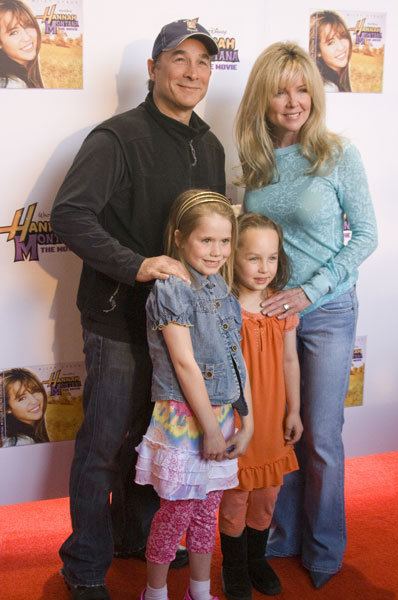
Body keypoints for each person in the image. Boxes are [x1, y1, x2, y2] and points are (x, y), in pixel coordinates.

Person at [50, 18, 225, 600]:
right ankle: (85, 567)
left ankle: (134, 539)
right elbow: (72, 216)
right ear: (153, 69)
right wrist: (138, 263)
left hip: (180, 330)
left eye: (203, 62)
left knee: (153, 444)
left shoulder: (211, 143)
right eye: (179, 59)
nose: (192, 72)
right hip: (120, 319)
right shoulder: (116, 137)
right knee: (103, 447)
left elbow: (210, 237)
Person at [236, 42, 377, 588]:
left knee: (320, 438)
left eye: (302, 89)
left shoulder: (337, 154)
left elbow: (365, 236)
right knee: (277, 435)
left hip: (327, 312)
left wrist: (310, 291)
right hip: (267, 320)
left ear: (315, 95)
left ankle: (323, 549)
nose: (292, 101)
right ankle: (282, 535)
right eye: (280, 89)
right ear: (262, 97)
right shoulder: (256, 162)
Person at [135, 189, 253, 600]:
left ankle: (199, 592)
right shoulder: (172, 287)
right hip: (184, 418)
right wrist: (211, 430)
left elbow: (237, 355)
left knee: (207, 511)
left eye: (225, 241)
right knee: (176, 513)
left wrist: (247, 419)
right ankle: (155, 592)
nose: (218, 251)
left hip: (220, 414)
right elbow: (184, 364)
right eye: (207, 240)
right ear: (181, 237)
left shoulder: (222, 286)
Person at [218, 213, 302, 600]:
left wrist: (295, 410)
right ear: (233, 256)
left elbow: (289, 361)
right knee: (235, 496)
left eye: (271, 258)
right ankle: (233, 568)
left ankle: (257, 559)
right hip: (237, 417)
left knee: (267, 493)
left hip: (273, 417)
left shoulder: (282, 306)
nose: (263, 268)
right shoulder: (223, 306)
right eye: (253, 258)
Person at [0, 0, 44, 88]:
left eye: (28, 25)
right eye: (14, 32)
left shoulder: (25, 77)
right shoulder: (12, 85)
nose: (27, 38)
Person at [2, 368, 49, 447]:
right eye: (22, 398)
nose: (34, 401)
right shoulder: (21, 442)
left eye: (35, 391)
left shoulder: (32, 433)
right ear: (7, 408)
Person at [309, 10, 352, 92]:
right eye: (331, 42)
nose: (341, 47)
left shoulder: (340, 80)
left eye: (343, 37)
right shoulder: (329, 88)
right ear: (318, 51)